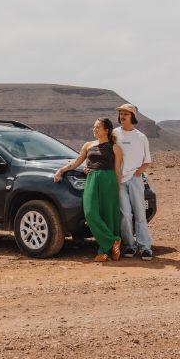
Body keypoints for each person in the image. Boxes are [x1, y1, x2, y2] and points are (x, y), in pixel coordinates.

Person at [53, 118, 123, 262]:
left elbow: (117, 171)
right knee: (90, 213)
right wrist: (61, 170)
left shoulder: (115, 147)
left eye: (98, 127)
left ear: (106, 130)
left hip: (108, 180)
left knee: (108, 215)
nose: (94, 129)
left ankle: (104, 251)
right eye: (94, 127)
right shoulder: (88, 145)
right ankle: (113, 240)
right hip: (92, 178)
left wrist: (118, 188)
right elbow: (77, 161)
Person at [113, 103, 154, 260]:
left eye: (126, 114)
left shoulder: (141, 137)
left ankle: (145, 247)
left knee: (140, 213)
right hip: (119, 180)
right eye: (121, 113)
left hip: (135, 180)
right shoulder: (114, 134)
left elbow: (147, 160)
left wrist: (139, 172)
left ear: (132, 117)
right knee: (125, 214)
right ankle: (130, 245)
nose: (122, 116)